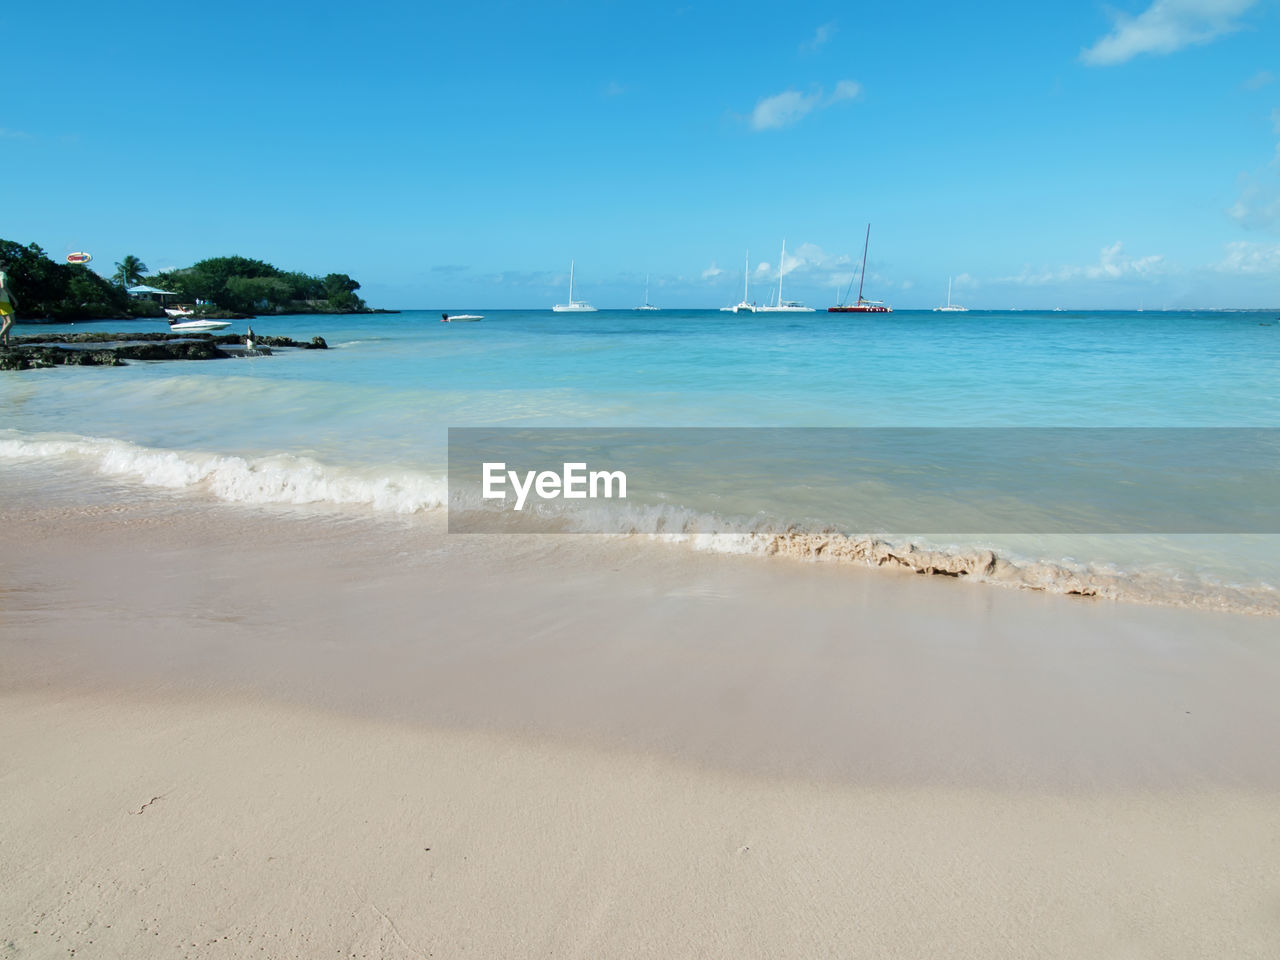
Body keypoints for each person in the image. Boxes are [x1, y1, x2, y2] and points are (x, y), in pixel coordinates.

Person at [0, 263, 17, 348]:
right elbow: (3, 286)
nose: (8, 268)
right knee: (11, 321)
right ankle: (0, 337)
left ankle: (6, 342)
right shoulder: (2, 273)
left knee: (6, 321)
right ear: (3, 266)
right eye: (7, 266)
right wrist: (13, 298)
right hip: (3, 300)